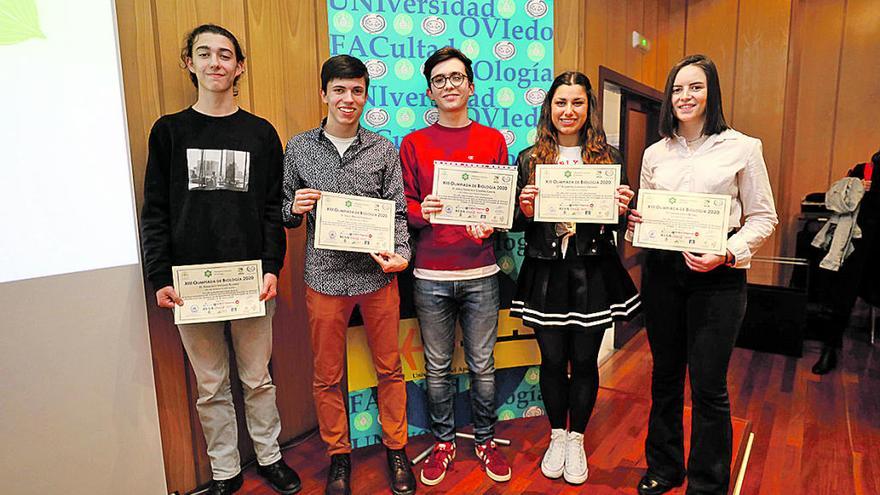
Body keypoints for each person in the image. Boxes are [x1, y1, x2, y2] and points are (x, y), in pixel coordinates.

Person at [141, 24, 300, 495]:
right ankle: (225, 471)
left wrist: (273, 266)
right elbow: (155, 211)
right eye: (204, 53)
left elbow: (273, 208)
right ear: (189, 62)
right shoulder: (169, 132)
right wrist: (159, 275)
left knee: (257, 379)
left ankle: (270, 457)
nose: (216, 62)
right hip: (191, 286)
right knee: (210, 386)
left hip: (250, 280)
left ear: (239, 66)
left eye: (225, 54)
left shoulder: (261, 133)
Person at [627, 54, 778, 495]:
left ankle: (709, 483)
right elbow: (648, 212)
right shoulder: (655, 152)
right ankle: (664, 468)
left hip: (718, 277)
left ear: (712, 93)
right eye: (677, 88)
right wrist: (640, 224)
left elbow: (764, 217)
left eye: (695, 87)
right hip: (663, 272)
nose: (685, 96)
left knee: (709, 384)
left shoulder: (743, 147)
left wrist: (727, 253)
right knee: (665, 376)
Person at [282, 55, 415, 495]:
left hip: (377, 279)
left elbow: (397, 211)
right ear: (324, 94)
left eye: (357, 90)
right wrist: (294, 208)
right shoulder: (299, 147)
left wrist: (402, 253)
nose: (348, 99)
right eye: (339, 90)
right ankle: (338, 455)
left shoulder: (383, 148)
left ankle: (397, 448)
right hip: (324, 278)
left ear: (365, 95)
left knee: (389, 368)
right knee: (326, 375)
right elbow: (283, 209)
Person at [511, 71, 641, 485]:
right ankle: (556, 435)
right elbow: (515, 222)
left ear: (589, 109)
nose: (569, 111)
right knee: (551, 360)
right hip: (547, 270)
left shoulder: (610, 158)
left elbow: (619, 224)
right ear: (549, 107)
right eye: (561, 103)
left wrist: (622, 209)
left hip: (593, 270)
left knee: (584, 360)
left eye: (577, 103)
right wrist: (525, 210)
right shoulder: (531, 158)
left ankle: (577, 438)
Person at [400, 47, 511, 486]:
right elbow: (403, 206)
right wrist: (423, 211)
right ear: (430, 91)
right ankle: (443, 441)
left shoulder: (492, 140)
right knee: (437, 365)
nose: (449, 85)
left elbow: (502, 207)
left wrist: (492, 226)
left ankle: (485, 437)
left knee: (483, 364)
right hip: (430, 275)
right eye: (440, 79)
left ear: (470, 85)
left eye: (457, 77)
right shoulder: (413, 144)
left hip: (481, 272)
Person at [812, 150, 879, 374]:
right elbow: (837, 201)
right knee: (841, 298)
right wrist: (857, 186)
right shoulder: (865, 169)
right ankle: (829, 350)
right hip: (859, 243)